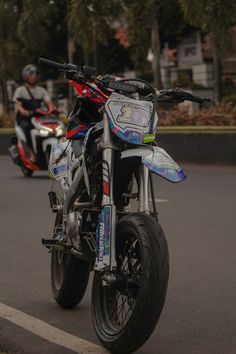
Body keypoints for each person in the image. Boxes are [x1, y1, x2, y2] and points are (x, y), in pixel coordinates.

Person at [13, 64, 54, 161]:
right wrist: (24, 112)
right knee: (27, 128)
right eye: (31, 74)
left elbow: (49, 102)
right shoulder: (20, 90)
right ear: (25, 76)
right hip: (25, 118)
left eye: (36, 74)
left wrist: (52, 109)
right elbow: (18, 105)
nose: (34, 76)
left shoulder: (41, 90)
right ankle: (31, 153)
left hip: (38, 118)